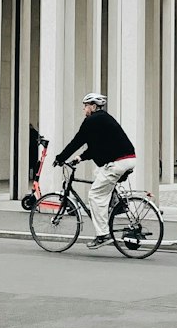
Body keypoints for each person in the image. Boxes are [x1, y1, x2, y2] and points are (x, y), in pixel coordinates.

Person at [54, 93, 137, 249]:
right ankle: (114, 203)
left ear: (92, 106)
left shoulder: (91, 121)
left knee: (94, 195)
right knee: (98, 174)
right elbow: (97, 146)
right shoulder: (104, 119)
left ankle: (103, 235)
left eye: (85, 106)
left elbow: (77, 140)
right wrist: (80, 158)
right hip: (127, 159)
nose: (84, 109)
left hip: (117, 162)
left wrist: (60, 158)